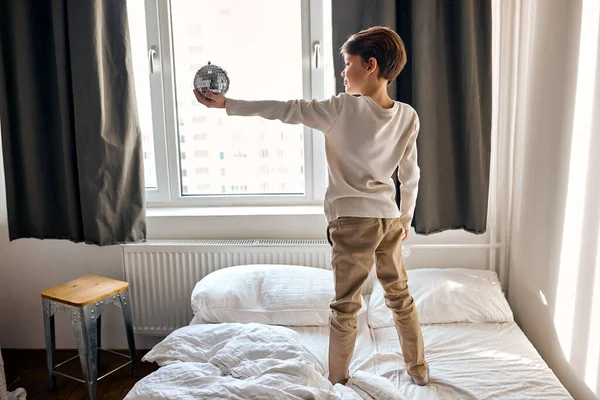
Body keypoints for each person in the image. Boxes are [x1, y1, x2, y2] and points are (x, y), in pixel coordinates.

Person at [193, 26, 428, 387]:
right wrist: (405, 219)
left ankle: (337, 382)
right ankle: (419, 371)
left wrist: (228, 105)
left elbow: (286, 110)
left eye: (347, 64)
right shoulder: (407, 116)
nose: (342, 72)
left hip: (352, 221)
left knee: (346, 305)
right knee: (400, 297)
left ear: (370, 64)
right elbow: (410, 176)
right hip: (388, 219)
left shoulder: (341, 108)